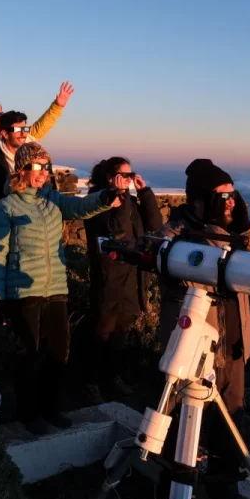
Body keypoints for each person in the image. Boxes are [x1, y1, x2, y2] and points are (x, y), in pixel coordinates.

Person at [154, 159, 250, 499]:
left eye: (233, 194)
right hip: (191, 354)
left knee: (229, 427)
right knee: (177, 429)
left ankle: (224, 492)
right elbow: (179, 269)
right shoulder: (175, 236)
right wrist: (216, 240)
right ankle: (171, 489)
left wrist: (246, 228)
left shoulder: (238, 233)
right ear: (199, 201)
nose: (230, 202)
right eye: (222, 196)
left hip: (232, 348)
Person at [0, 142, 122, 435]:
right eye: (35, 167)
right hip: (24, 291)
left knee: (59, 352)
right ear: (21, 169)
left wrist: (106, 196)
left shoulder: (53, 200)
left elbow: (80, 206)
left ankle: (52, 407)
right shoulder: (6, 206)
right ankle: (28, 412)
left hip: (56, 288)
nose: (42, 173)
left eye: (45, 167)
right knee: (29, 354)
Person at [0, 82, 74, 319]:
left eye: (1, 112)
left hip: (11, 216)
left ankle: (0, 315)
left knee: (4, 266)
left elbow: (38, 127)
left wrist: (57, 106)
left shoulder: (20, 144)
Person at [82, 157, 163, 404]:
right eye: (124, 176)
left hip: (131, 273)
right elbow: (116, 229)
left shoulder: (130, 200)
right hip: (109, 274)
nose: (128, 180)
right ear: (110, 177)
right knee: (102, 329)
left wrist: (145, 193)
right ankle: (90, 382)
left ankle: (111, 378)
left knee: (120, 331)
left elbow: (155, 226)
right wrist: (119, 196)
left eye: (131, 175)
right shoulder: (98, 201)